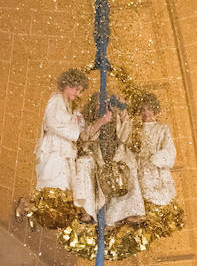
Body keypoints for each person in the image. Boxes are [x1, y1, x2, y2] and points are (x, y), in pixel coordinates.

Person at [35, 68, 111, 218]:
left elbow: (83, 133)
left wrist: (99, 122)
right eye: (77, 90)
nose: (78, 94)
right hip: (55, 149)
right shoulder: (56, 99)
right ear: (67, 85)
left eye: (80, 91)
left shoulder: (71, 108)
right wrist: (74, 130)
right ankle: (28, 206)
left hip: (66, 152)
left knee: (63, 189)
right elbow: (52, 123)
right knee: (52, 184)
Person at [74, 92, 145, 226]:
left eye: (107, 105)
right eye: (100, 105)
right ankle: (87, 209)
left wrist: (123, 110)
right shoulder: (87, 120)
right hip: (95, 156)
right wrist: (101, 122)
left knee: (129, 166)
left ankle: (129, 212)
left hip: (116, 155)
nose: (103, 108)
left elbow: (126, 134)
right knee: (84, 165)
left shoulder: (116, 118)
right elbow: (84, 137)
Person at [136, 92, 177, 207]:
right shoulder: (136, 130)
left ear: (154, 110)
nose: (145, 113)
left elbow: (169, 150)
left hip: (156, 170)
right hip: (140, 168)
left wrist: (155, 158)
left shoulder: (162, 129)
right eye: (143, 109)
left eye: (149, 109)